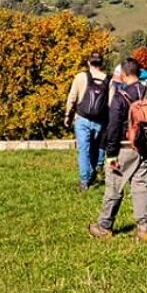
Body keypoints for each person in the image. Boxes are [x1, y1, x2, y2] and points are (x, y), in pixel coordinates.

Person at [89, 59, 147, 242]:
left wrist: (110, 153)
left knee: (114, 187)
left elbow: (113, 128)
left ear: (125, 74)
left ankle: (104, 226)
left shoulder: (121, 97)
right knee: (141, 186)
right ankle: (144, 229)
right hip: (144, 147)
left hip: (123, 147)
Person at [65, 52, 111, 191]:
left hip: (82, 118)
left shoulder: (80, 77)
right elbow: (110, 103)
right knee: (95, 149)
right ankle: (93, 172)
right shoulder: (109, 80)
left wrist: (68, 115)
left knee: (83, 150)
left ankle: (84, 181)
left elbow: (72, 97)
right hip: (100, 120)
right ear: (102, 63)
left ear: (89, 63)